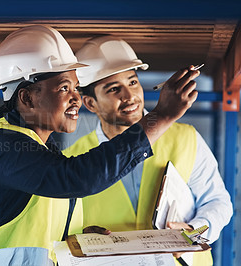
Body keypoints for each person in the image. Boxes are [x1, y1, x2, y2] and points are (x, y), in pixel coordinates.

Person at [0, 25, 199, 266]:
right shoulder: (3, 146)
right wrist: (161, 116)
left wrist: (73, 240)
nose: (77, 98)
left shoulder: (40, 149)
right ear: (27, 97)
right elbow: (78, 178)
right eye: (64, 88)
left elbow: (31, 230)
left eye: (76, 87)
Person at [63, 36, 233, 266]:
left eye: (132, 82)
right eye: (114, 89)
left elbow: (217, 202)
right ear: (90, 103)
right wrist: (82, 235)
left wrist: (194, 231)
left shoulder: (186, 137)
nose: (129, 96)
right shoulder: (73, 158)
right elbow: (64, 228)